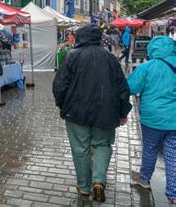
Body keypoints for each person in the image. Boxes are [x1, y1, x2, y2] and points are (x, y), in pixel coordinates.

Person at [53, 25, 131, 203]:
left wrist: (61, 105)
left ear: (80, 38)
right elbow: (122, 88)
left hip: (75, 112)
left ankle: (84, 186)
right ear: (98, 38)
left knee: (80, 149)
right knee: (102, 145)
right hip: (106, 112)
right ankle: (99, 181)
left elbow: (59, 85)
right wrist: (123, 111)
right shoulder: (111, 59)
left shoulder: (71, 56)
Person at [126, 36, 176, 205]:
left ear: (151, 49)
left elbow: (131, 88)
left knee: (150, 149)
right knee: (172, 155)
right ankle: (173, 194)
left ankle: (145, 178)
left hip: (153, 119)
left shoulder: (147, 67)